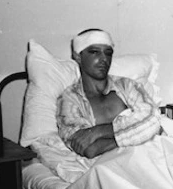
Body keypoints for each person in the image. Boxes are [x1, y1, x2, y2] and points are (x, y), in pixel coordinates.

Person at [57, 29, 162, 158]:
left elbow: (152, 121)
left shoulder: (127, 86)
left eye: (108, 53)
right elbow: (89, 149)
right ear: (78, 56)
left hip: (149, 154)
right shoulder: (70, 99)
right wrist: (139, 134)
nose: (104, 59)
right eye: (95, 52)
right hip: (111, 165)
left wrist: (97, 132)